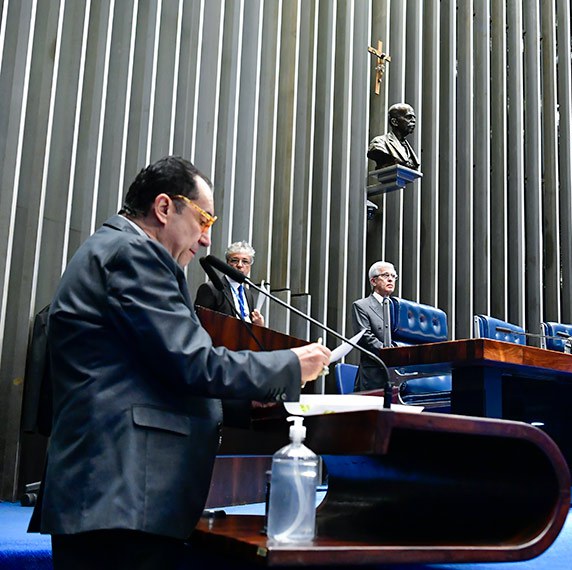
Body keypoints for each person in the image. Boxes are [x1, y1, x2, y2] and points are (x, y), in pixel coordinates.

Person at [28, 156, 331, 569]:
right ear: (165, 207)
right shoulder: (133, 253)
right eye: (204, 220)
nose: (207, 240)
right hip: (121, 498)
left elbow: (152, 374)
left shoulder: (117, 249)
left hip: (116, 499)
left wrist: (246, 402)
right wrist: (291, 365)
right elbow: (194, 362)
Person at [352, 261, 398, 391]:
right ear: (373, 281)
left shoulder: (397, 307)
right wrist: (391, 354)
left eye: (393, 276)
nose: (390, 279)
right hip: (374, 376)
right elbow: (365, 337)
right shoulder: (361, 306)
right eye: (385, 275)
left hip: (398, 373)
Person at [195, 240, 264, 326]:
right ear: (227, 263)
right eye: (234, 261)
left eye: (245, 261)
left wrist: (258, 326)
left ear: (250, 266)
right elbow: (200, 324)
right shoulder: (211, 288)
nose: (239, 265)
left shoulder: (248, 294)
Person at [367, 103, 420, 170]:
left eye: (414, 118)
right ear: (394, 122)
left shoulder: (408, 149)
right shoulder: (379, 143)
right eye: (408, 117)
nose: (413, 121)